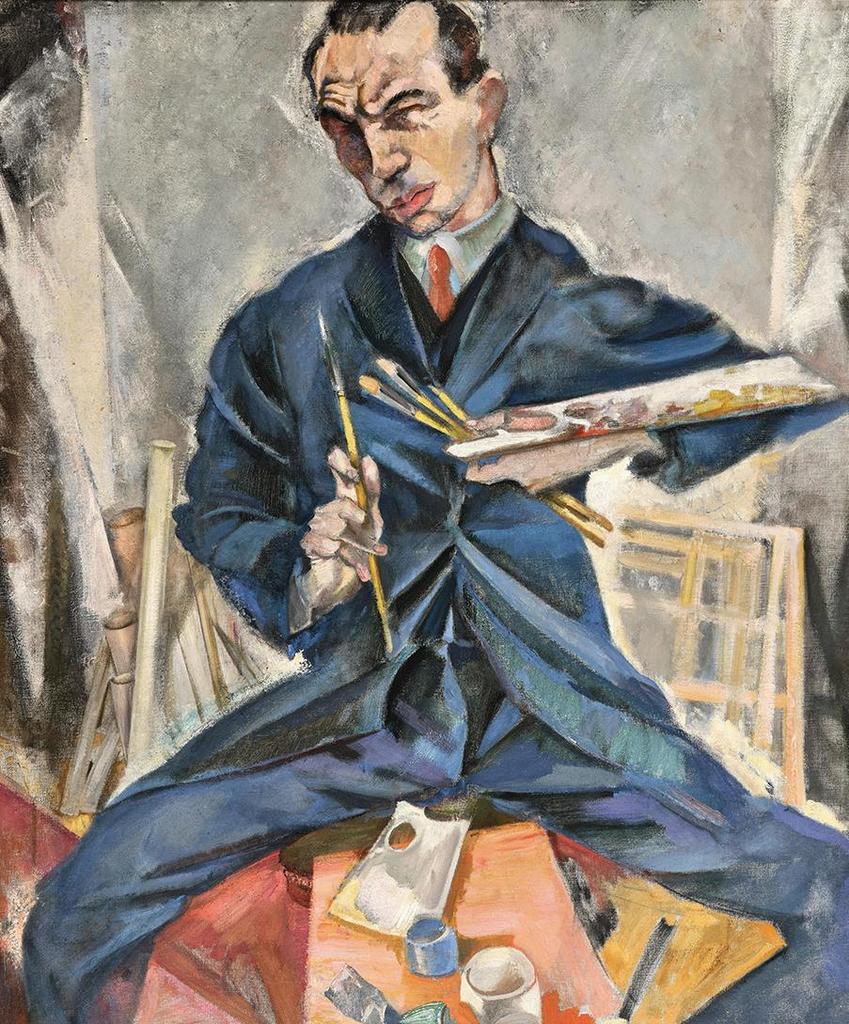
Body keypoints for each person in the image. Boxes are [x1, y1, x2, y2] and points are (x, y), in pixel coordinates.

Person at [24, 3, 849, 1021]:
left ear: (483, 103)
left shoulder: (575, 305)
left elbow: (788, 389)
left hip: (560, 708)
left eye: (406, 108)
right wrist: (311, 568)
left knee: (837, 903)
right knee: (74, 913)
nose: (378, 159)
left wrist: (604, 434)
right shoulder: (294, 318)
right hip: (362, 707)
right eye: (343, 125)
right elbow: (222, 506)